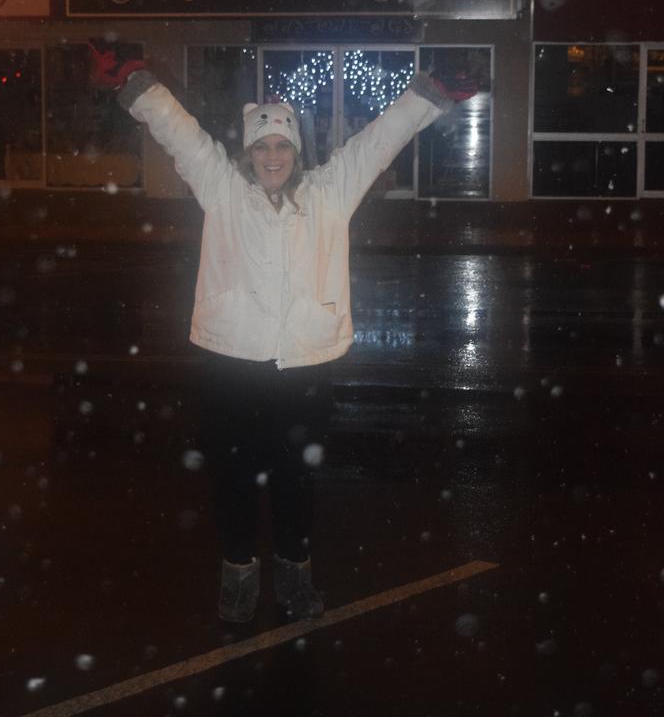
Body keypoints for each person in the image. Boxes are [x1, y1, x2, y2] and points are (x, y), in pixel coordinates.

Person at [89, 41, 475, 623]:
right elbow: (181, 133)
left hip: (305, 363)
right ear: (249, 152)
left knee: (298, 478)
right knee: (233, 477)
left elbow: (380, 139)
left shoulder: (329, 194)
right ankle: (239, 578)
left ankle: (294, 580)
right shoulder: (223, 190)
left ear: (297, 150)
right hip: (231, 361)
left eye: (283, 145)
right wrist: (136, 80)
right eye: (263, 146)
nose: (273, 156)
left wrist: (430, 95)